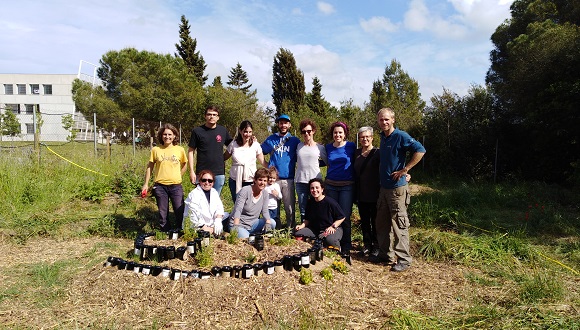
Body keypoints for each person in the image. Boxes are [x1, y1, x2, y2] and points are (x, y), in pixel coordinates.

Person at [374, 108, 426, 272]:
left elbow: (420, 150)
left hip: (397, 189)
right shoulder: (383, 137)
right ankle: (385, 255)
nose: (384, 122)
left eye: (387, 119)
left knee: (399, 225)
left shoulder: (401, 136)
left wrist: (405, 170)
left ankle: (404, 259)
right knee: (382, 224)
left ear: (393, 120)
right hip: (384, 188)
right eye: (381, 120)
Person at [142, 124, 187, 231]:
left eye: (170, 134)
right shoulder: (156, 150)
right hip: (160, 186)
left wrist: (178, 175)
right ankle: (165, 232)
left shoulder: (179, 150)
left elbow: (185, 164)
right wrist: (146, 184)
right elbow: (150, 167)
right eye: (165, 134)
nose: (167, 137)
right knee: (163, 212)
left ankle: (180, 231)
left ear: (175, 136)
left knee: (179, 210)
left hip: (176, 186)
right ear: (161, 136)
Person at [261, 114, 301, 229]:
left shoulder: (294, 141)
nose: (283, 125)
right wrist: (266, 165)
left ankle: (290, 228)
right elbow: (259, 151)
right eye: (281, 123)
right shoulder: (271, 139)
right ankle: (274, 227)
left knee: (289, 207)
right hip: (273, 180)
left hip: (288, 178)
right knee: (273, 205)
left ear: (289, 125)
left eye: (285, 123)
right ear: (278, 124)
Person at [324, 122, 356, 253]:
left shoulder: (351, 146)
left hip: (346, 186)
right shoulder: (328, 147)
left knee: (345, 215)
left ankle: (346, 244)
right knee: (332, 215)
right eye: (335, 132)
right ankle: (334, 242)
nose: (337, 135)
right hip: (331, 185)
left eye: (340, 132)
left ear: (345, 134)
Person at [187, 105, 233, 195]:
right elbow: (191, 151)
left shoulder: (223, 130)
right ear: (205, 116)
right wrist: (192, 171)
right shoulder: (197, 131)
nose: (212, 116)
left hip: (219, 173)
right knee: (201, 200)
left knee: (214, 200)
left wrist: (222, 158)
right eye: (209, 114)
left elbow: (233, 146)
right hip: (202, 172)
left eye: (214, 115)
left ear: (218, 117)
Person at [294, 178, 345, 249]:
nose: (314, 190)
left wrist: (333, 226)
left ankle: (337, 252)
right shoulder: (310, 202)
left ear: (322, 189)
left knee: (330, 240)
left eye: (317, 188)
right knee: (298, 233)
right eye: (312, 188)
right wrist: (301, 226)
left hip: (331, 228)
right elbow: (307, 219)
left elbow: (342, 217)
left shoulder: (330, 202)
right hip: (315, 229)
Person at [224, 120, 267, 203]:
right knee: (237, 203)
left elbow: (263, 162)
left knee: (249, 204)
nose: (247, 134)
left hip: (250, 180)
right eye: (245, 132)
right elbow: (224, 157)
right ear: (240, 131)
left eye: (250, 132)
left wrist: (273, 170)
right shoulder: (233, 144)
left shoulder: (255, 145)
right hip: (235, 180)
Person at [354, 126, 380, 257]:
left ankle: (377, 246)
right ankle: (367, 245)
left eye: (367, 137)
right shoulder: (356, 153)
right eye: (362, 137)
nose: (365, 139)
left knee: (375, 222)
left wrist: (405, 174)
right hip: (361, 194)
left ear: (372, 138)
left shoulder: (378, 153)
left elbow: (389, 167)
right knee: (364, 222)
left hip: (375, 194)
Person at [228, 168, 276, 239]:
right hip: (239, 224)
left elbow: (265, 210)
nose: (262, 183)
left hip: (253, 223)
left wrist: (268, 223)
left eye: (265, 181)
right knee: (248, 238)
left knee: (272, 222)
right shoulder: (246, 190)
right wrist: (235, 225)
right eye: (260, 180)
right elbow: (238, 209)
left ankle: (256, 233)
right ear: (255, 180)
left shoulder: (265, 193)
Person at [295, 119, 327, 224]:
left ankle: (316, 230)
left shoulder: (320, 147)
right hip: (301, 181)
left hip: (315, 182)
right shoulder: (299, 146)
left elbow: (327, 162)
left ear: (313, 131)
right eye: (304, 131)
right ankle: (304, 231)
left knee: (317, 207)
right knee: (303, 209)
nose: (306, 133)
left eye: (309, 131)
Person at [183, 170, 225, 235]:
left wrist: (218, 220)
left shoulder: (214, 192)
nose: (207, 183)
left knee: (227, 216)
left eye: (210, 181)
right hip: (197, 225)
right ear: (199, 181)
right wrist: (206, 227)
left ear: (213, 183)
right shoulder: (194, 194)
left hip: (211, 223)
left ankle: (214, 231)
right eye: (204, 180)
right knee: (204, 231)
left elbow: (219, 208)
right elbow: (193, 215)